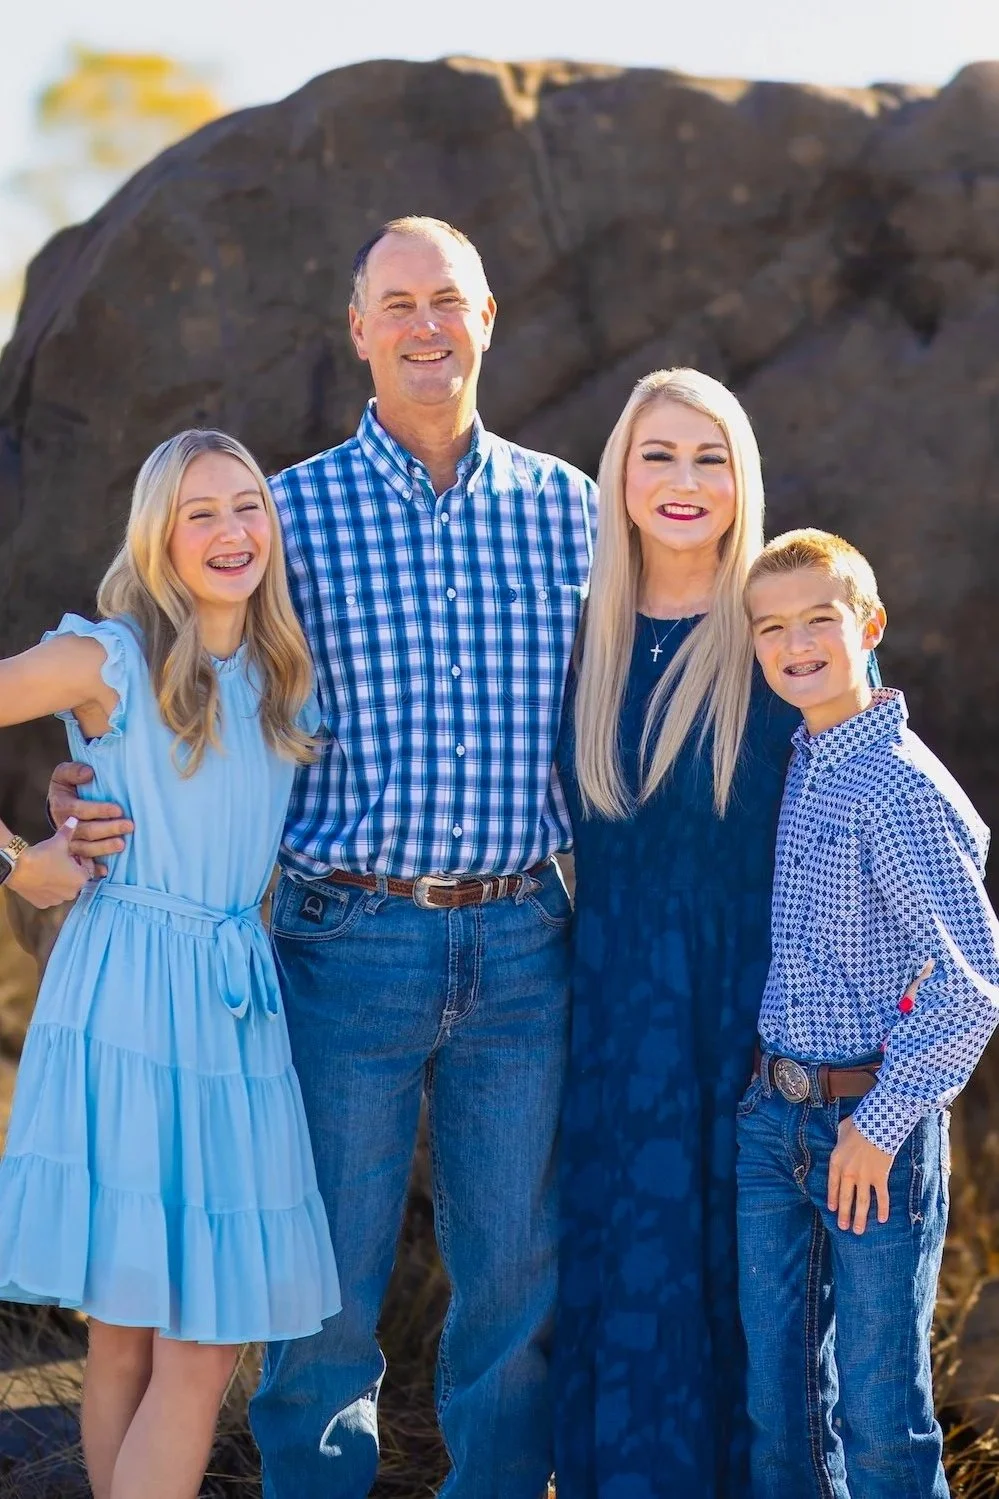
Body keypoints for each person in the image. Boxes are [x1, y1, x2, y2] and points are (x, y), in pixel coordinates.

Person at [50, 216, 596, 1499]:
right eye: (396, 302)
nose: (425, 325)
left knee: (516, 1276)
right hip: (343, 940)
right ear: (357, 328)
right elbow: (156, 669)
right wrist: (80, 796)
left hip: (528, 938)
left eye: (448, 301)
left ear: (488, 317)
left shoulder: (571, 510)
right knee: (322, 1283)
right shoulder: (280, 516)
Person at [1, 429, 340, 1499]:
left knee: (148, 1342)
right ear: (160, 535)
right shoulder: (107, 657)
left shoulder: (286, 672)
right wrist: (20, 863)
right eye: (202, 512)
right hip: (128, 998)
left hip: (235, 1007)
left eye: (248, 505)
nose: (232, 530)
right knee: (173, 1341)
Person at [554, 367, 801, 1498]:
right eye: (658, 454)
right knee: (627, 1278)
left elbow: (871, 805)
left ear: (741, 476)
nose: (684, 480)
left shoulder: (786, 628)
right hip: (613, 1031)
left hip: (759, 1028)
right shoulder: (579, 630)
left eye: (710, 456)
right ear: (621, 474)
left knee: (756, 1303)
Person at [737, 529, 999, 1499]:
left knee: (882, 1410)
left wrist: (878, 1129)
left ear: (871, 625)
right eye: (772, 626)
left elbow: (971, 980)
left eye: (819, 618)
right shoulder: (804, 760)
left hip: (868, 1131)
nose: (795, 642)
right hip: (773, 1120)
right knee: (783, 1403)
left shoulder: (901, 784)